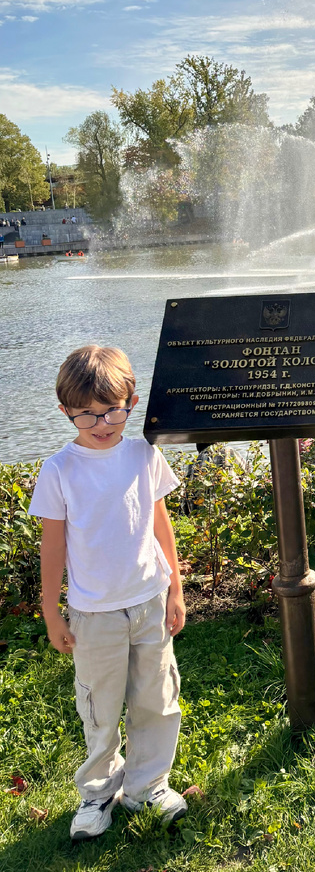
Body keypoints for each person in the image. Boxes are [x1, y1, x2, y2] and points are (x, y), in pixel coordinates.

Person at [28, 345, 188, 841]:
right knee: (99, 709)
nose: (101, 424)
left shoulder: (143, 455)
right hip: (93, 614)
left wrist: (176, 588)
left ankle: (147, 786)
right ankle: (97, 792)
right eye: (86, 414)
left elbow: (160, 524)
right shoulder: (59, 470)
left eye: (112, 411)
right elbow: (53, 547)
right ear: (65, 412)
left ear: (132, 403)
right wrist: (51, 612)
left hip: (149, 602)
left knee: (157, 700)